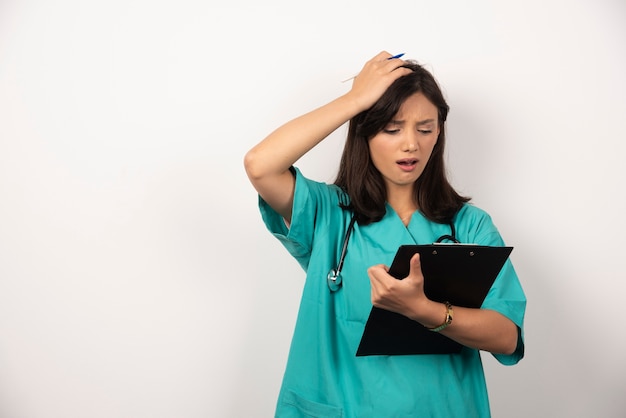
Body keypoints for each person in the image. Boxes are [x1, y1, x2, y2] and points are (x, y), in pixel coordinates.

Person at [243, 51, 526, 418]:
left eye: (425, 129)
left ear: (438, 132)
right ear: (366, 131)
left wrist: (424, 310)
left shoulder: (468, 226)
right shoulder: (328, 215)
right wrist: (354, 100)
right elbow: (260, 165)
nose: (411, 144)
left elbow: (506, 336)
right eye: (392, 129)